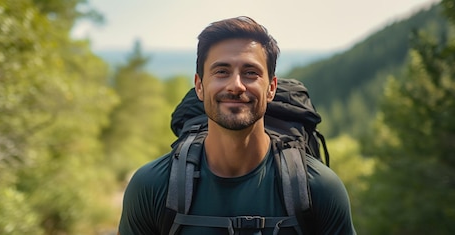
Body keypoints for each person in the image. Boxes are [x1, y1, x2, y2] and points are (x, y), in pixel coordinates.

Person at [118, 16, 356, 235]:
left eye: (250, 72)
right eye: (221, 72)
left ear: (271, 88)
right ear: (199, 86)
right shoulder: (152, 186)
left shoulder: (318, 189)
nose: (236, 86)